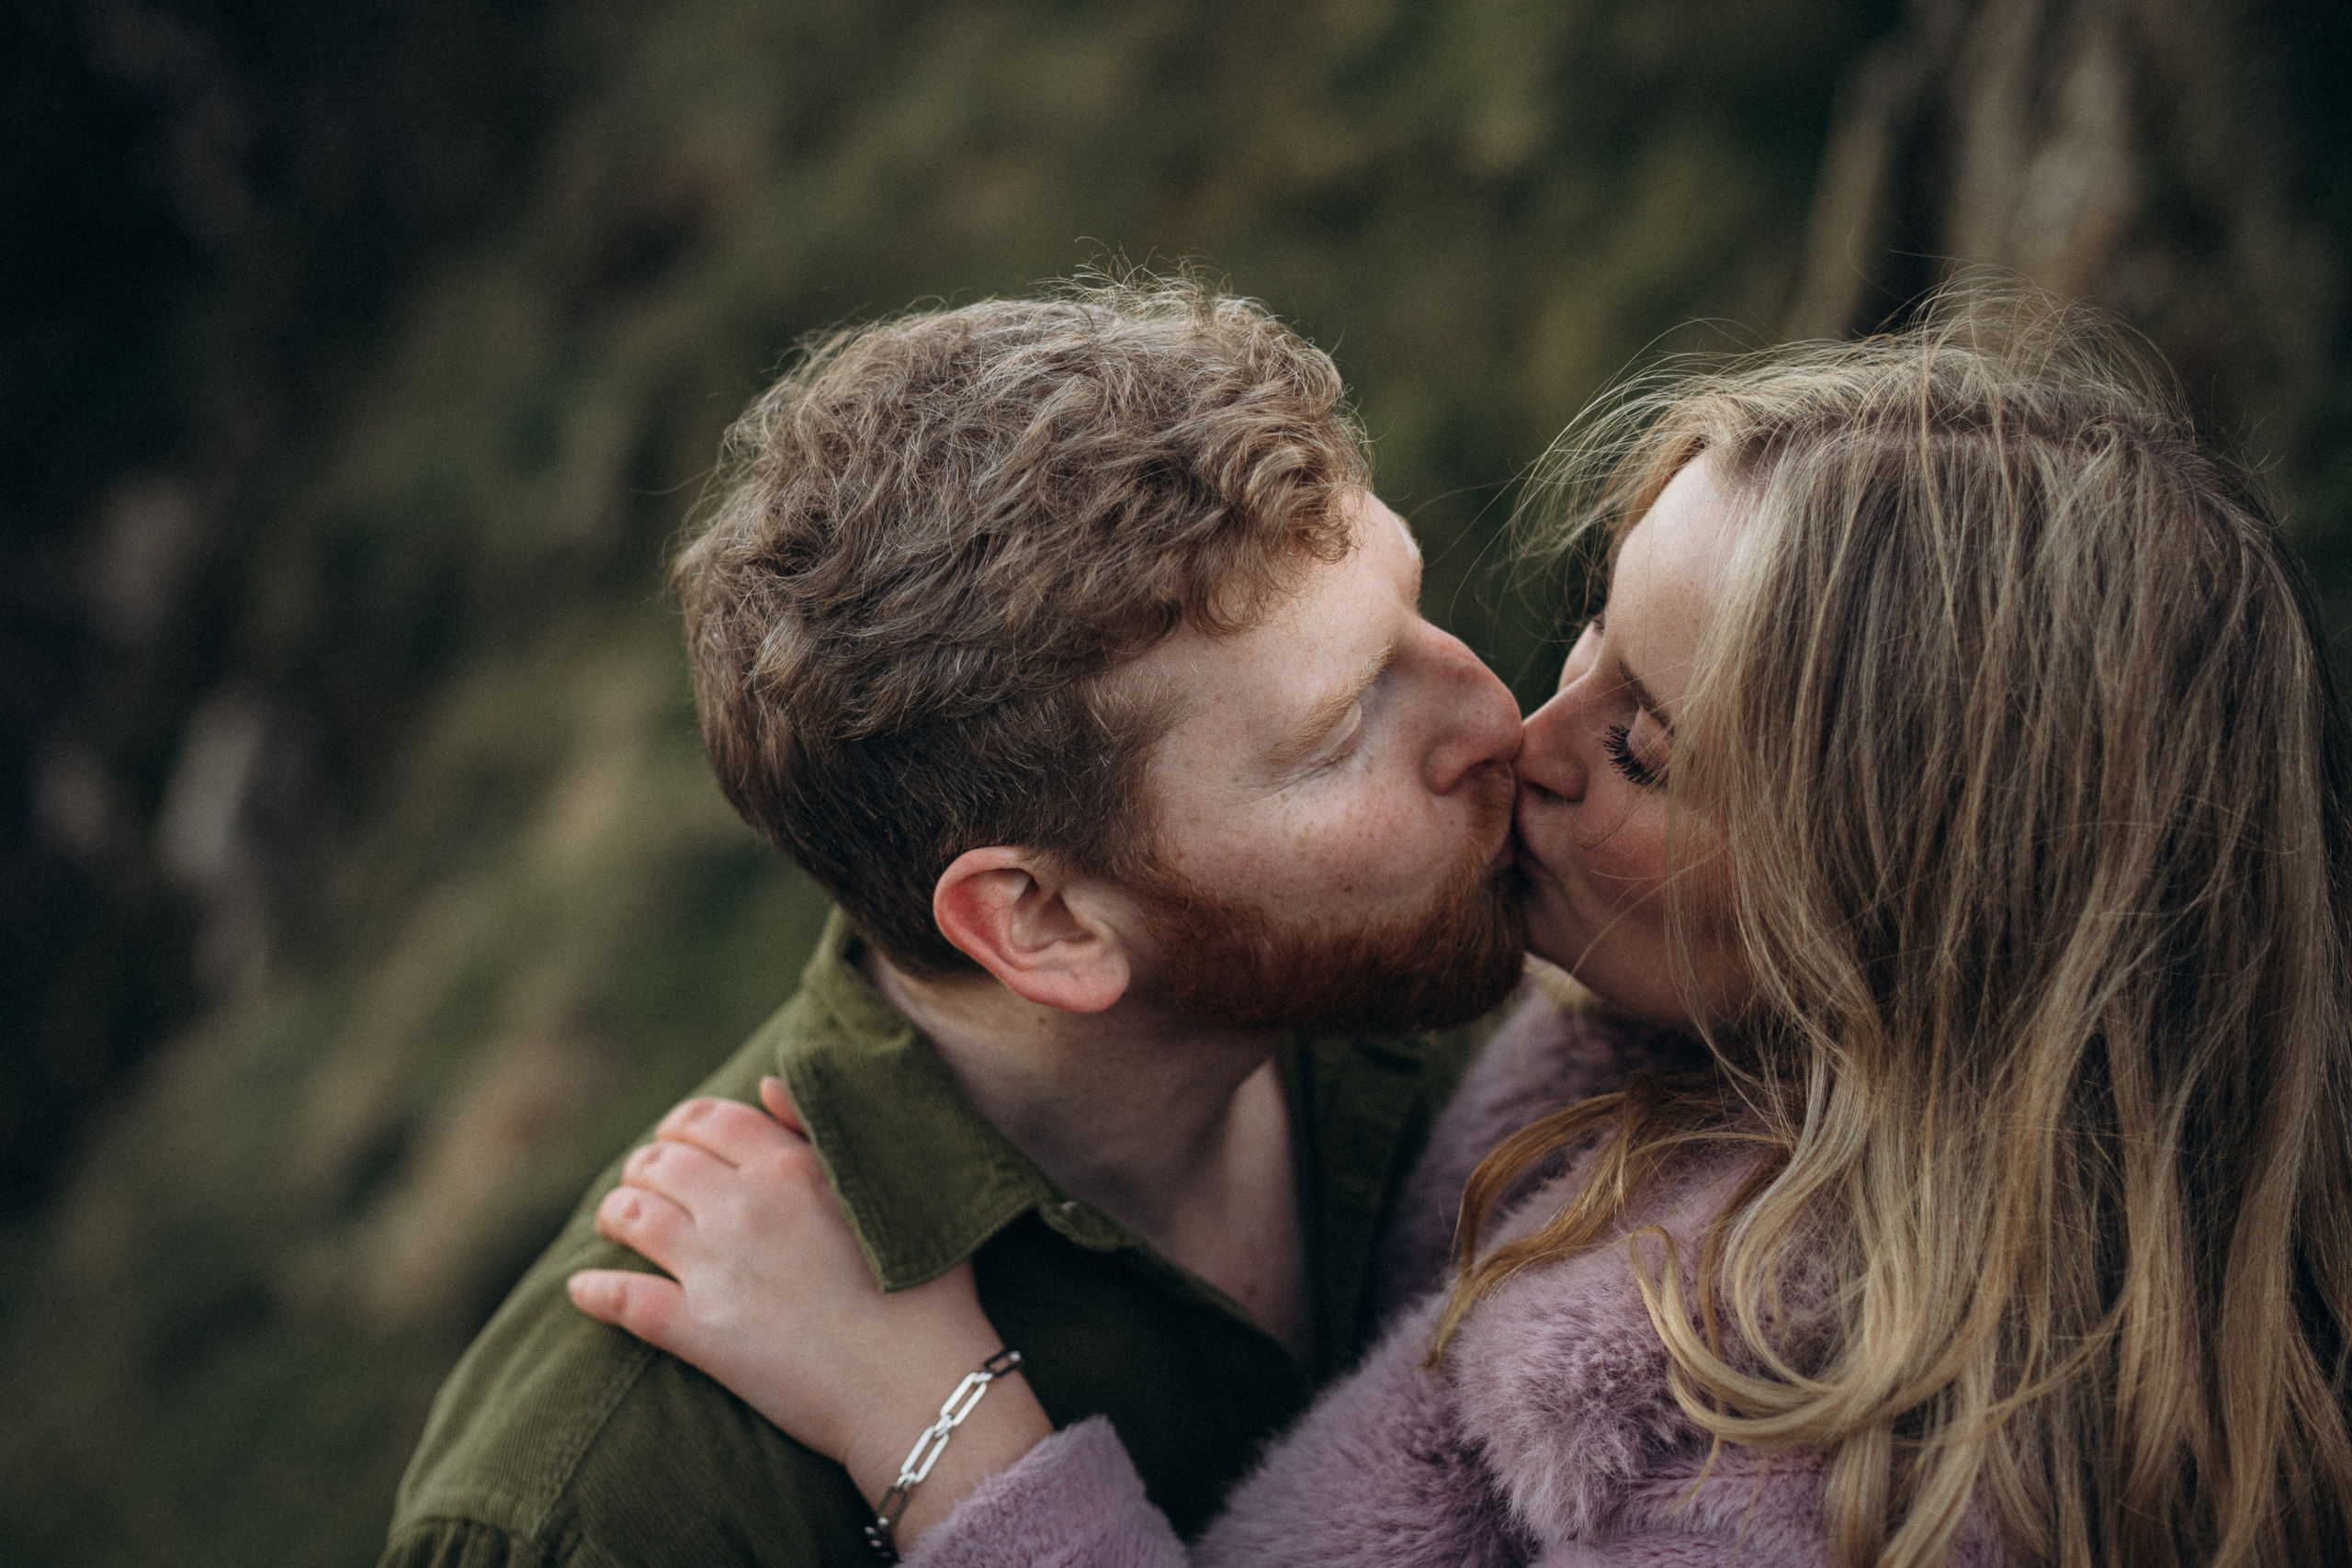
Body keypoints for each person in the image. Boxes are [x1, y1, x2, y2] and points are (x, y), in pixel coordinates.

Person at [573, 295, 2352, 1566]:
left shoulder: (1838, 1461)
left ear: (1904, 912)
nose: (1519, 730)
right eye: (1590, 629)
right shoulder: (1646, 1055)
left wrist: (946, 1426)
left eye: (1637, 741)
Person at [380, 278, 1536, 1567]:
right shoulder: (615, 1507)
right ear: (1039, 921)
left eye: (1413, 609)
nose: (1500, 722)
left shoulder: (1513, 1013)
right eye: (1342, 730)